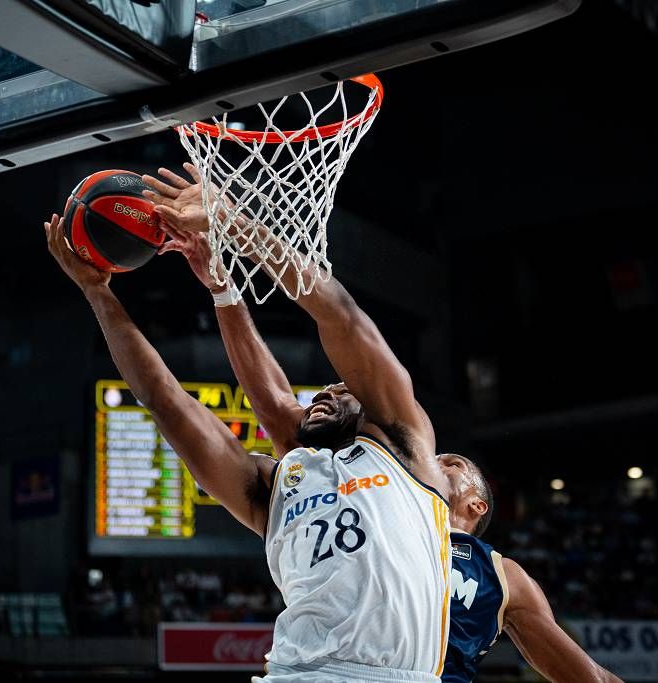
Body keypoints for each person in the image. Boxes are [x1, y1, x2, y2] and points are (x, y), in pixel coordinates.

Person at [147, 164, 623, 683]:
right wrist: (224, 290)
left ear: (475, 504)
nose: (440, 459)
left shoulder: (500, 574)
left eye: (455, 464)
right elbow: (280, 411)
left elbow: (585, 676)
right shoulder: (380, 486)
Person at [44, 163, 452, 682]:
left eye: (338, 389)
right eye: (321, 391)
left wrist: (233, 223)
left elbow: (339, 316)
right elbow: (165, 399)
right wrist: (99, 294)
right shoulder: (274, 485)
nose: (325, 391)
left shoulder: (406, 448)